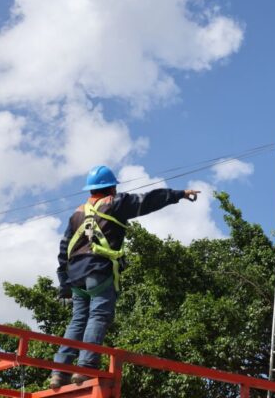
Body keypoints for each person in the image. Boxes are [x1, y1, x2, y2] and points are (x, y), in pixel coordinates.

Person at [50, 165, 200, 389]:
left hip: (76, 275)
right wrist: (180, 194)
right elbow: (147, 200)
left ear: (91, 190)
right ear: (110, 187)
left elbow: (64, 250)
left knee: (78, 319)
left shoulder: (77, 213)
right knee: (98, 316)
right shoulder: (115, 204)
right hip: (99, 270)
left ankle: (59, 372)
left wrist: (64, 284)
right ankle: (85, 368)